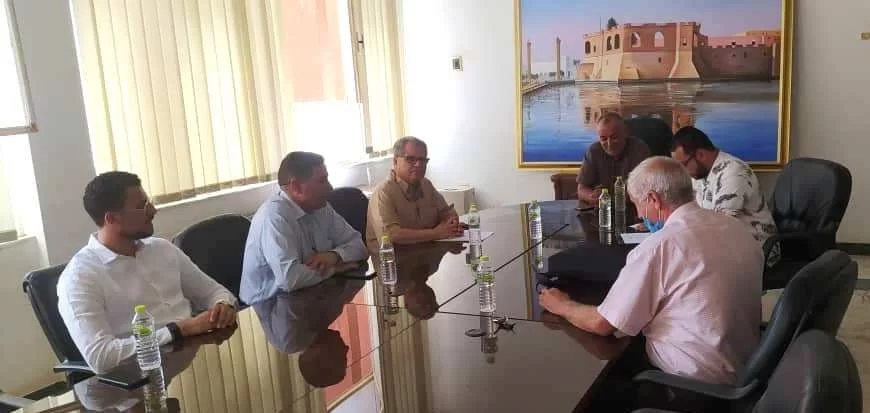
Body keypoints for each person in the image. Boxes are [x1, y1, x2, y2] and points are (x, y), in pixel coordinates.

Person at [540, 157, 762, 388]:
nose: (639, 215)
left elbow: (602, 324)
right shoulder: (736, 228)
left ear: (654, 199)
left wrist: (562, 305)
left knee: (599, 367)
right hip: (745, 365)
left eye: (637, 204)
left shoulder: (660, 246)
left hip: (691, 382)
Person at [58, 172, 239, 374]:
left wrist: (223, 305)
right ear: (111, 218)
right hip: (139, 375)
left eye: (149, 202)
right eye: (141, 206)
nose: (153, 210)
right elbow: (101, 357)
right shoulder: (79, 277)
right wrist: (179, 330)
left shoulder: (162, 249)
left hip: (194, 358)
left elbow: (214, 292)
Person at [241, 152, 368, 304]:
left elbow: (359, 246)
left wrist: (334, 256)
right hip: (266, 306)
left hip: (310, 294)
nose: (330, 187)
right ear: (296, 187)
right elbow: (290, 279)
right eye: (322, 181)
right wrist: (333, 269)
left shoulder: (322, 207)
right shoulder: (274, 217)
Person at [670, 126, 778, 263]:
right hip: (725, 248)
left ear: (700, 155)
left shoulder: (733, 173)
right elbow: (688, 211)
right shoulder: (699, 174)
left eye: (683, 165)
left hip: (757, 252)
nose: (683, 172)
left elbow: (721, 227)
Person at [366, 137, 462, 253]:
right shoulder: (383, 192)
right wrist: (437, 233)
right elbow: (391, 235)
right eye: (410, 159)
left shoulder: (426, 184)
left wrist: (451, 224)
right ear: (395, 162)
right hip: (393, 260)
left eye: (422, 160)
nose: (418, 164)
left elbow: (447, 212)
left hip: (427, 254)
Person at [576, 113, 650, 218]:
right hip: (604, 214)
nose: (609, 143)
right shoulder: (594, 151)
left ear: (625, 133)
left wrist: (608, 198)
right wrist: (591, 196)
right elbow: (581, 189)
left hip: (635, 212)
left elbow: (644, 190)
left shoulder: (639, 149)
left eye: (614, 137)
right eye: (603, 139)